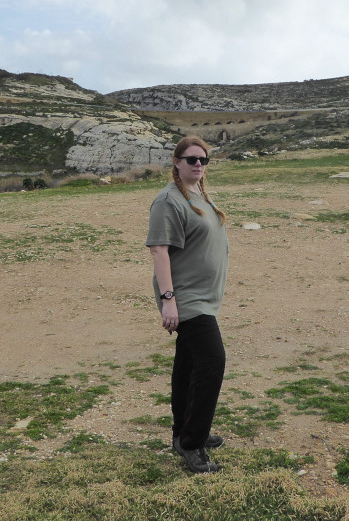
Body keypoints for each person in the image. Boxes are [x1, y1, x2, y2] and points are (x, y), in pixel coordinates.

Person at [146, 136, 229, 473]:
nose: (198, 164)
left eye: (203, 160)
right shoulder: (168, 201)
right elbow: (159, 250)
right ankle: (192, 444)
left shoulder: (196, 194)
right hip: (185, 298)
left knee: (188, 367)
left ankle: (184, 432)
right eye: (191, 159)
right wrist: (168, 301)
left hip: (202, 297)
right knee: (211, 362)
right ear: (176, 162)